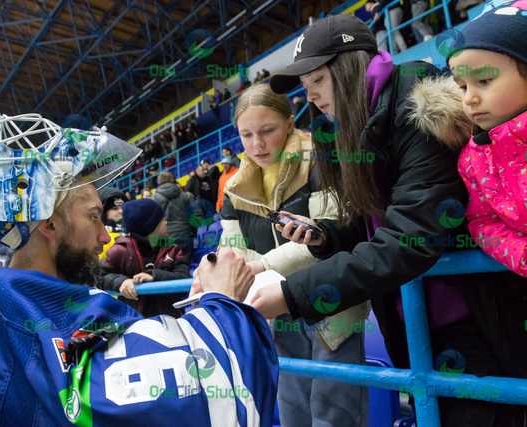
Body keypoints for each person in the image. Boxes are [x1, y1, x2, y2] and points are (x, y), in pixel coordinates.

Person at [0, 112, 278, 426]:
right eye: (94, 217)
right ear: (50, 225)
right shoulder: (29, 331)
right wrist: (221, 304)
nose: (105, 236)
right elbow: (191, 400)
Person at [255, 13, 527, 426]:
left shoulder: (417, 112)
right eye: (305, 90)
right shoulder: (355, 124)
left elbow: (410, 236)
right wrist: (327, 237)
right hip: (412, 323)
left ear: (348, 69)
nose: (311, 98)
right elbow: (376, 220)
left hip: (470, 322)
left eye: (317, 83)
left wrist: (293, 295)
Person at [221, 83, 369, 427]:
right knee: (292, 408)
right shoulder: (234, 187)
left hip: (331, 298)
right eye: (246, 135)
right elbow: (232, 249)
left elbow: (330, 233)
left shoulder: (320, 157)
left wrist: (262, 265)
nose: (257, 144)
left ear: (290, 122)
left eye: (267, 131)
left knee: (334, 410)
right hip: (276, 308)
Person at [448, 3, 527, 278]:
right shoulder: (473, 159)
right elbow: (483, 221)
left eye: (483, 80)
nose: (469, 98)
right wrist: (523, 254)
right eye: (462, 86)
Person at [99, 199, 189, 318]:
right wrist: (121, 281)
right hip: (134, 325)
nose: (166, 222)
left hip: (172, 321)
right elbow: (98, 276)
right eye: (161, 220)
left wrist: (154, 277)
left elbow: (184, 280)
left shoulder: (172, 249)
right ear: (150, 227)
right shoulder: (120, 250)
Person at [150, 171, 193, 255]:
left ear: (159, 182)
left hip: (164, 238)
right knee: (186, 265)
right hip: (184, 235)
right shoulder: (185, 196)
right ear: (173, 180)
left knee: (167, 265)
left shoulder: (153, 199)